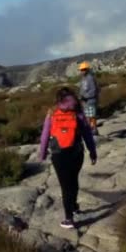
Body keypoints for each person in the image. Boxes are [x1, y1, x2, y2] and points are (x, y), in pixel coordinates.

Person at [39, 87, 97, 229]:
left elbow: (45, 135)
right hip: (76, 153)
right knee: (73, 181)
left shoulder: (52, 113)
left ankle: (68, 218)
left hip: (59, 155)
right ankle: (75, 206)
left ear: (58, 99)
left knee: (65, 186)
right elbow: (87, 134)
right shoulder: (78, 112)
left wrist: (42, 153)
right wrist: (92, 151)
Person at [78, 61, 99, 134]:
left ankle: (94, 130)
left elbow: (93, 90)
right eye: (81, 70)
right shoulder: (83, 79)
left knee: (92, 116)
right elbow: (81, 89)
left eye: (84, 69)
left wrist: (85, 96)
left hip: (91, 100)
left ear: (87, 69)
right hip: (85, 101)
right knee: (88, 116)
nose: (82, 71)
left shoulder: (90, 78)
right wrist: (80, 96)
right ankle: (91, 129)